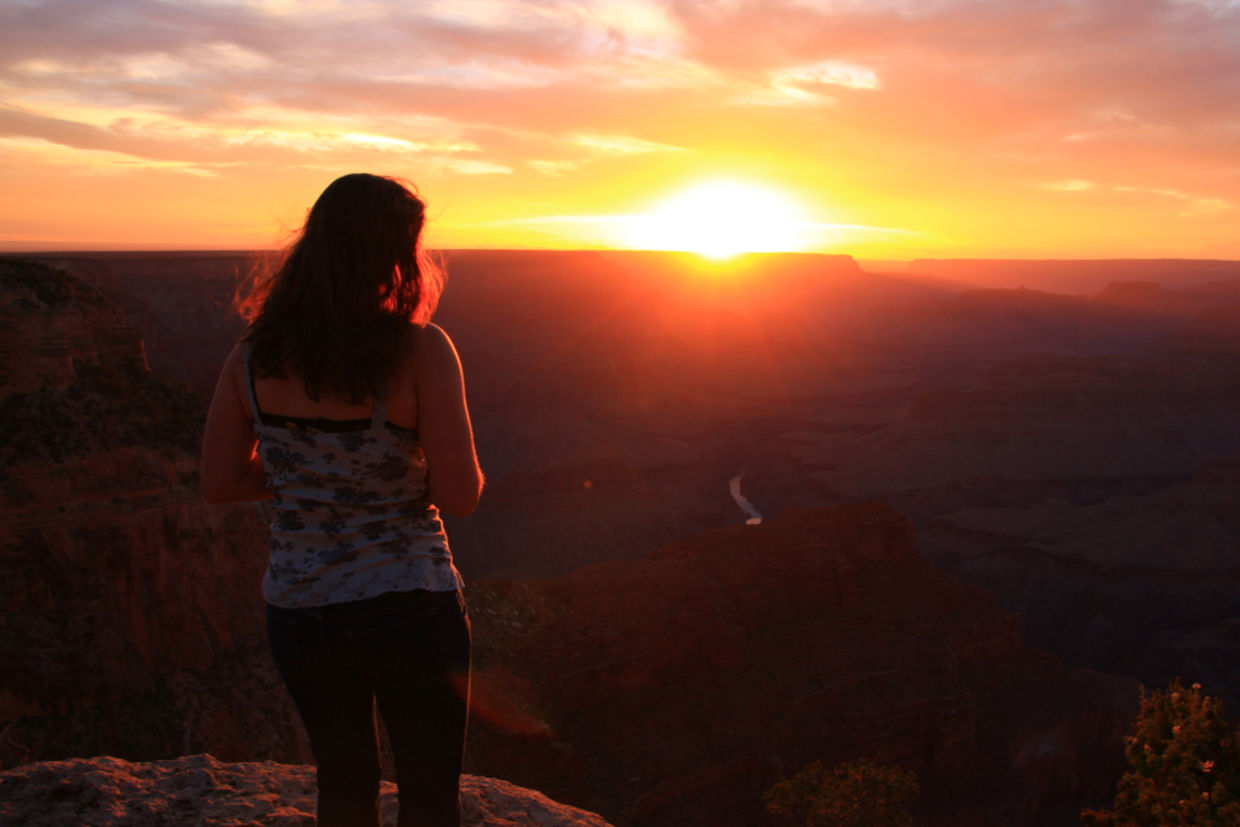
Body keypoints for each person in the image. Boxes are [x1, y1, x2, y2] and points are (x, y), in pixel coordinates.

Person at [200, 172, 483, 827]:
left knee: (345, 787)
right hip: (406, 603)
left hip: (299, 610)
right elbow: (461, 495)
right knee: (429, 797)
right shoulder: (421, 351)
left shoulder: (251, 354)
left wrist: (306, 478)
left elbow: (218, 482)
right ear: (390, 255)